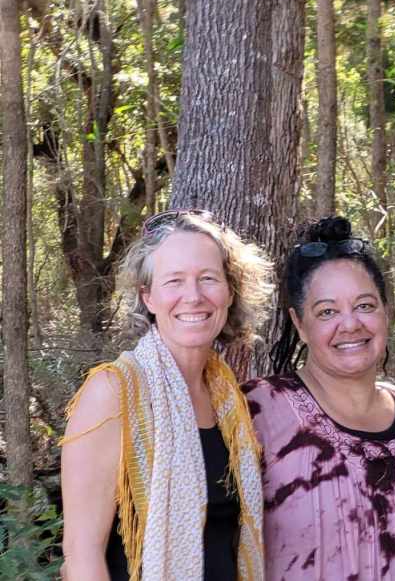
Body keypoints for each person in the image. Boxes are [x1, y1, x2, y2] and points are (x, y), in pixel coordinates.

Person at [61, 210, 273, 581]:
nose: (193, 296)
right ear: (149, 297)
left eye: (208, 278)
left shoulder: (228, 399)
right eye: (174, 281)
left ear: (229, 291)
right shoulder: (113, 393)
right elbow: (81, 557)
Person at [242, 216, 395, 580]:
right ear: (299, 323)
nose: (350, 325)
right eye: (327, 312)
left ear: (385, 310)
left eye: (365, 306)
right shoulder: (257, 412)